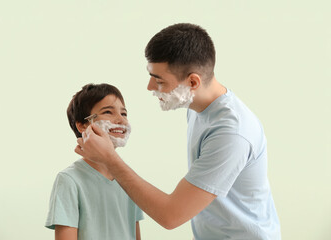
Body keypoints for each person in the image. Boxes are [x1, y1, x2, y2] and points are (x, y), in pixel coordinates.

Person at [75, 23, 281, 240]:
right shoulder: (198, 107)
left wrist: (109, 158)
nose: (150, 87)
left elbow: (171, 215)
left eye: (159, 80)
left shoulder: (231, 133)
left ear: (192, 82)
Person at [45, 83, 143, 240]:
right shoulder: (69, 180)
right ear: (83, 125)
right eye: (108, 112)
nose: (120, 120)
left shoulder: (129, 179)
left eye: (124, 114)